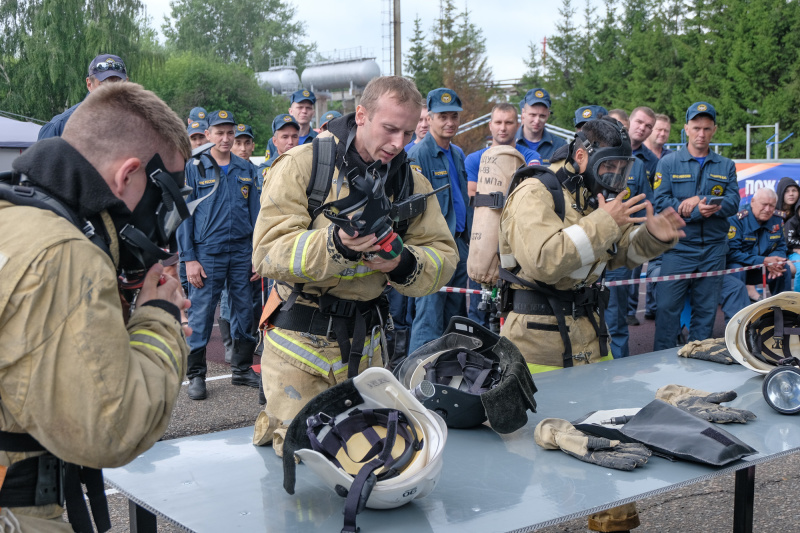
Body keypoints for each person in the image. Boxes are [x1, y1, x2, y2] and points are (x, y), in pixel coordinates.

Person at [0, 82, 190, 530]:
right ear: (127, 176)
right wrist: (158, 318)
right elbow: (111, 427)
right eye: (163, 203)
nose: (162, 226)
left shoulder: (15, 216)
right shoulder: (65, 255)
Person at [251, 76, 457, 455]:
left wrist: (401, 262)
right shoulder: (303, 165)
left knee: (370, 462)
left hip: (369, 354)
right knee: (303, 464)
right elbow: (267, 252)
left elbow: (444, 257)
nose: (399, 143)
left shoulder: (409, 181)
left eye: (409, 132)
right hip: (299, 349)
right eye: (390, 129)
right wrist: (335, 244)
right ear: (361, 114)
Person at [498, 117, 684, 533]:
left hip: (590, 335)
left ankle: (611, 524)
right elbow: (544, 260)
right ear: (581, 155)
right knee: (534, 447)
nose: (615, 178)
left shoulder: (588, 195)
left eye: (621, 169)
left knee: (606, 436)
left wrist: (651, 237)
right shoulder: (535, 192)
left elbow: (611, 257)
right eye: (608, 167)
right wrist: (605, 222)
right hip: (536, 342)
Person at [178, 109, 261, 400]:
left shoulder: (246, 169)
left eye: (230, 133)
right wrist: (189, 258)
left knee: (244, 311)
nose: (226, 138)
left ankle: (241, 369)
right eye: (219, 132)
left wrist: (257, 255)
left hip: (240, 252)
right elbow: (183, 216)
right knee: (201, 314)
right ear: (209, 134)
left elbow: (257, 215)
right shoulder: (194, 167)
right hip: (207, 252)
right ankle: (196, 376)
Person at [653, 102, 739, 350]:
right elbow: (660, 203)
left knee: (705, 314)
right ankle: (661, 366)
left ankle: (698, 368)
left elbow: (733, 202)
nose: (701, 133)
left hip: (713, 251)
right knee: (667, 312)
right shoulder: (669, 163)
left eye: (706, 128)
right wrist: (695, 213)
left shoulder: (726, 165)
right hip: (678, 249)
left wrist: (700, 200)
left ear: (714, 130)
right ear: (686, 129)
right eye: (696, 128)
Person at [407, 87, 470, 352]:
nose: (450, 122)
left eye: (454, 116)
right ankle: (416, 380)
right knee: (428, 321)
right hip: (432, 249)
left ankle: (445, 378)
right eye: (443, 116)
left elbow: (462, 201)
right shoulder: (419, 155)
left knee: (454, 322)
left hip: (458, 246)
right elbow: (415, 210)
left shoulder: (457, 153)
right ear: (429, 117)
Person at [38, 53, 128, 139]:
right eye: (103, 85)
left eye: (116, 84)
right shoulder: (59, 127)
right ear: (89, 84)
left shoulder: (137, 122)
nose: (111, 91)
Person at [724, 188, 789, 299]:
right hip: (742, 265)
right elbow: (732, 253)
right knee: (737, 270)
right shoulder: (737, 219)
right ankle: (739, 312)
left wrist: (774, 262)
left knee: (783, 268)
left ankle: (784, 310)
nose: (767, 209)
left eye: (772, 206)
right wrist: (763, 261)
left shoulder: (777, 219)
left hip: (763, 267)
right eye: (764, 204)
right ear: (753, 202)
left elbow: (781, 246)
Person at [643, 113, 673, 320]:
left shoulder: (671, 157)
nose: (662, 134)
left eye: (666, 131)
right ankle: (631, 311)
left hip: (664, 218)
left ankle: (654, 307)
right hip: (639, 215)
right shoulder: (637, 154)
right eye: (658, 129)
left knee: (662, 262)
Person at [262, 89, 318, 171]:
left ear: (313, 113)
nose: (304, 111)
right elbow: (269, 168)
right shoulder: (274, 142)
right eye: (300, 107)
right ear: (291, 111)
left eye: (308, 108)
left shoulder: (318, 140)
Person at [515, 88, 567, 165]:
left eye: (542, 116)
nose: (537, 121)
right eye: (533, 115)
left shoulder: (560, 146)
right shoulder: (509, 143)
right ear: (523, 113)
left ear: (548, 116)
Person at [256, 114, 300, 187]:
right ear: (275, 141)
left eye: (294, 136)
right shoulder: (268, 168)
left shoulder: (305, 163)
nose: (290, 142)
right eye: (285, 137)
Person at [629, 107, 659, 186]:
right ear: (629, 121)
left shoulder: (653, 161)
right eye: (639, 122)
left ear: (650, 132)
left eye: (648, 126)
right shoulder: (609, 150)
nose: (642, 128)